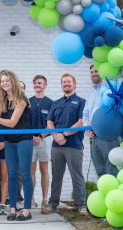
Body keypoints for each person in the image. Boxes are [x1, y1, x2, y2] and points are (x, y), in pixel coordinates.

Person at [0, 70, 34, 221]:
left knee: (24, 174)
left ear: (13, 82)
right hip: (9, 141)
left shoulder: (21, 99)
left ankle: (26, 210)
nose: (4, 83)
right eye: (2, 81)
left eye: (7, 81)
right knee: (11, 174)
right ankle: (12, 209)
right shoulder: (2, 99)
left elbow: (11, 123)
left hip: (24, 140)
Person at [41, 73, 87, 215]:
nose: (66, 84)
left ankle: (81, 205)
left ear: (74, 84)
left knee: (77, 175)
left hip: (74, 145)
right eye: (64, 82)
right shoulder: (56, 103)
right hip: (57, 146)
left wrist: (64, 134)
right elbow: (49, 122)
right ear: (61, 85)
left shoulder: (81, 102)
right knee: (56, 176)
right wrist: (55, 135)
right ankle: (53, 203)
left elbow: (81, 121)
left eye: (69, 82)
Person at [84, 65, 119, 177]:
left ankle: (114, 194)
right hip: (93, 136)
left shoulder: (110, 89)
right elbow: (85, 113)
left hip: (108, 136)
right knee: (99, 169)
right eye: (92, 72)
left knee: (111, 168)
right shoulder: (91, 93)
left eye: (96, 71)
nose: (94, 73)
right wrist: (86, 128)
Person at [29, 75, 53, 209]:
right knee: (31, 170)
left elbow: (51, 124)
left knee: (44, 169)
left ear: (45, 85)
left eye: (39, 83)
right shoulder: (27, 101)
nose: (37, 85)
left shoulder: (51, 103)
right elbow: (25, 123)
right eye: (35, 83)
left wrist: (40, 136)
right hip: (30, 140)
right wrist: (33, 136)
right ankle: (31, 199)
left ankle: (44, 199)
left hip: (44, 140)